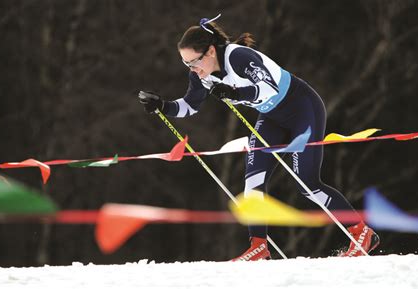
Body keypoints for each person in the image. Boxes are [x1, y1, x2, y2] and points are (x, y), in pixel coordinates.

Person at [138, 14, 380, 261]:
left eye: (194, 62)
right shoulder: (202, 74)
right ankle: (259, 247)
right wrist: (163, 106)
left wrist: (234, 91)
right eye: (186, 64)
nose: (192, 69)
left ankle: (362, 232)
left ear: (210, 51)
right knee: (253, 180)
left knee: (306, 184)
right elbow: (190, 105)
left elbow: (267, 89)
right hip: (271, 117)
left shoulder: (238, 57)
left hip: (301, 109)